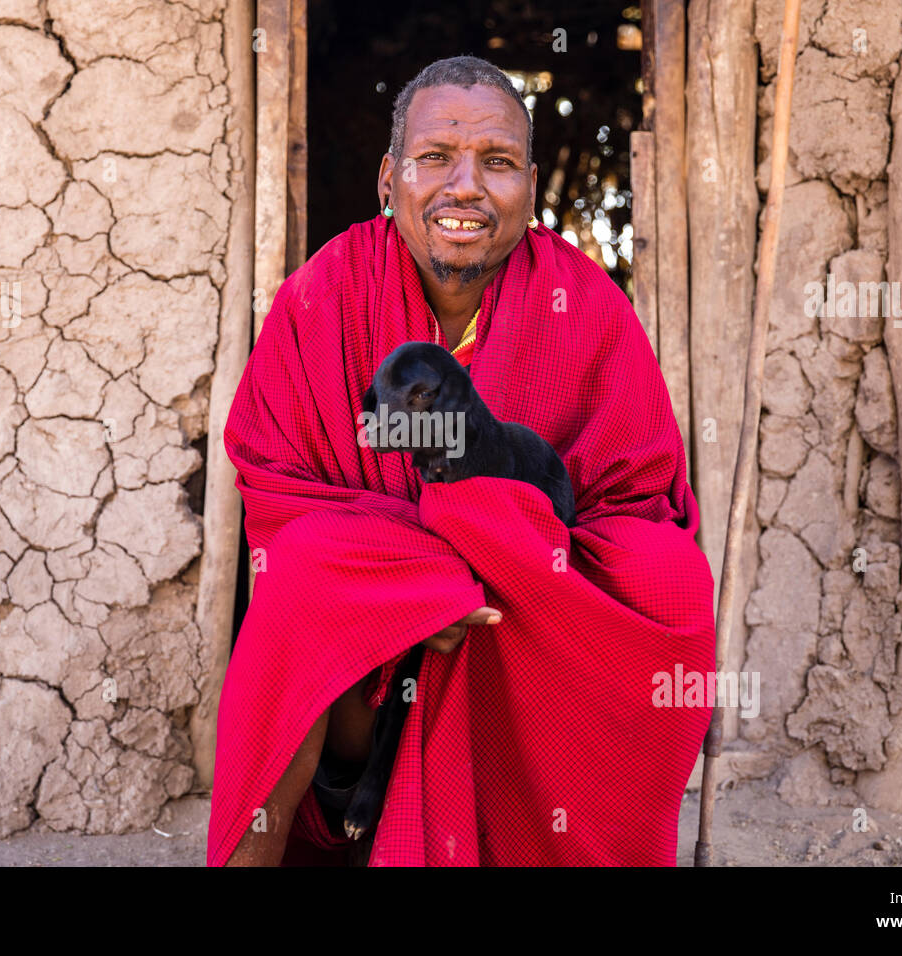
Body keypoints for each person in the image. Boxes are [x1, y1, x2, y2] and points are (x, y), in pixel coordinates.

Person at [208, 55, 715, 866]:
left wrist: (503, 556)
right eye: (436, 157)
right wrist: (419, 584)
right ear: (389, 178)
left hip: (526, 619)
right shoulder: (321, 296)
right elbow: (276, 487)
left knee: (670, 575)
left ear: (532, 183)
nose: (466, 187)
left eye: (499, 162)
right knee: (303, 569)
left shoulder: (588, 309)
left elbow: (638, 502)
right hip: (366, 647)